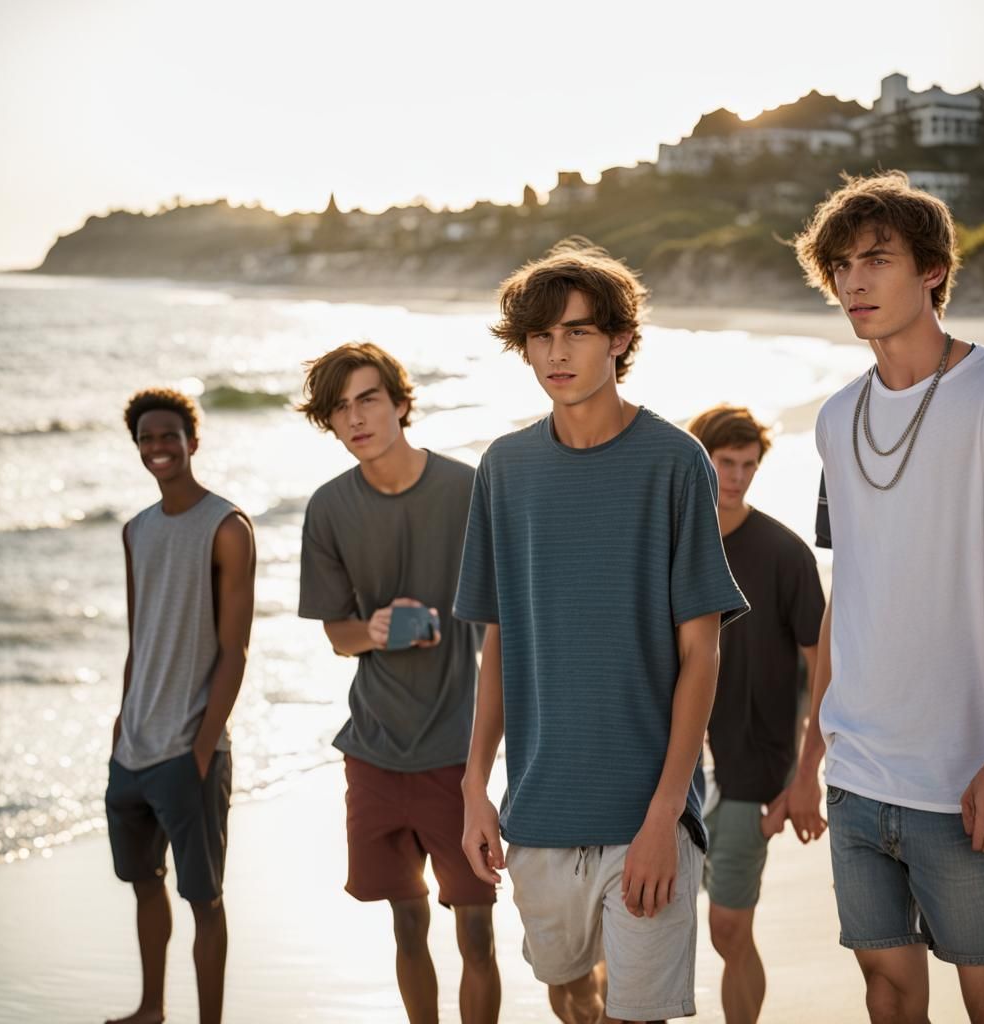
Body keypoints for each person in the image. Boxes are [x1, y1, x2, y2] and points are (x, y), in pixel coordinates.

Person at [454, 240, 748, 1024]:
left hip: (644, 813)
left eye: (577, 332)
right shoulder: (505, 470)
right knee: (566, 991)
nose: (558, 353)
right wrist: (474, 786)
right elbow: (500, 647)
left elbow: (702, 651)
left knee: (637, 1013)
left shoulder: (675, 463)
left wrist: (663, 816)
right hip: (540, 808)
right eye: (541, 337)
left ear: (618, 339)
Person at [783, 170, 984, 1023]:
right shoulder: (835, 417)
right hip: (856, 769)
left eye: (876, 259)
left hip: (961, 776)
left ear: (932, 270)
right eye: (840, 267)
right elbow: (849, 588)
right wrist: (812, 755)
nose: (853, 283)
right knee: (885, 990)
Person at [297, 342, 500, 1024]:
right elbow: (337, 633)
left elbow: (506, 616)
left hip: (455, 751)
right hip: (375, 749)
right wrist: (375, 629)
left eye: (368, 399)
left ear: (401, 403)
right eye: (340, 408)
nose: (355, 418)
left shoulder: (467, 489)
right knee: (406, 922)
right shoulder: (327, 509)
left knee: (476, 927)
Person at [105, 388, 256, 1024]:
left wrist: (201, 747)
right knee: (144, 884)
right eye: (146, 439)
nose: (158, 448)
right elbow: (140, 637)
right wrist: (120, 725)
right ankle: (151, 1008)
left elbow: (235, 650)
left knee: (205, 898)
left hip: (190, 749)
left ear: (193, 442)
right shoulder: (136, 530)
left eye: (169, 436)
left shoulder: (226, 526)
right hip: (133, 748)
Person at [686, 404, 825, 1024]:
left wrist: (804, 776)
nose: (737, 476)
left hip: (751, 773)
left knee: (727, 930)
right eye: (724, 463)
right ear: (701, 461)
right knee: (640, 921)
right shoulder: (668, 545)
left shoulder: (784, 552)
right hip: (668, 772)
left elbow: (824, 666)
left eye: (748, 465)